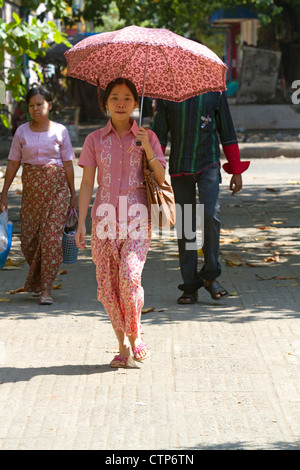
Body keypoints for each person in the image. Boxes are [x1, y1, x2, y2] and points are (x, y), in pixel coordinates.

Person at [75, 77, 166, 368]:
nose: (121, 103)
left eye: (127, 97)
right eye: (115, 97)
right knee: (108, 287)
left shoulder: (147, 137)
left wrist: (147, 148)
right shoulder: (94, 140)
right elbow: (88, 181)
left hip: (137, 218)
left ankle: (136, 335)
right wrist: (80, 223)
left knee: (129, 277)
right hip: (103, 220)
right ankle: (122, 346)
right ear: (106, 104)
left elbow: (162, 178)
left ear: (135, 103)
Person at [152, 92, 250, 304]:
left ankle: (211, 276)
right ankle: (190, 285)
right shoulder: (167, 93)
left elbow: (227, 130)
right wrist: (152, 168)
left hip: (209, 164)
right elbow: (159, 134)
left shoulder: (215, 91)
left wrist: (236, 169)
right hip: (180, 167)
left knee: (210, 214)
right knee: (186, 225)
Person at [0, 86, 77, 305]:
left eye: (40, 104)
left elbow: (69, 164)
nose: (36, 109)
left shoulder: (60, 131)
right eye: (32, 105)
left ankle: (46, 289)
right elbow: (14, 162)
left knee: (51, 239)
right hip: (32, 193)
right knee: (29, 241)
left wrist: (73, 195)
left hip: (57, 191)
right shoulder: (22, 132)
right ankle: (38, 279)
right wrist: (3, 194)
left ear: (49, 105)